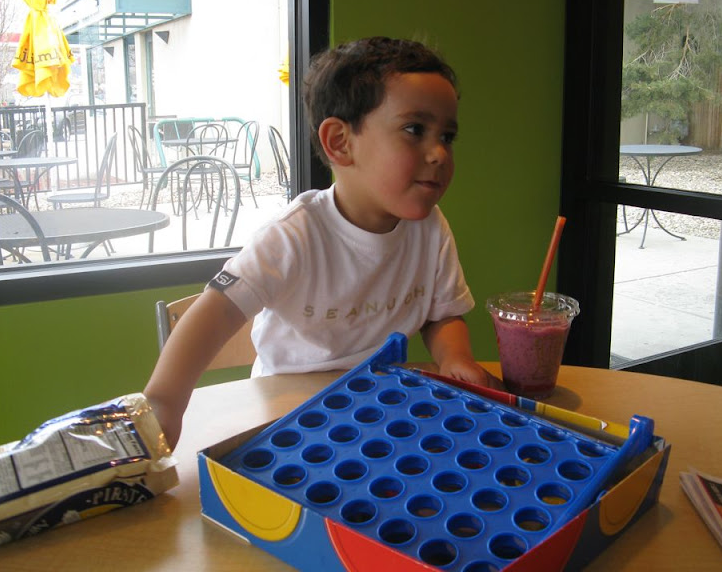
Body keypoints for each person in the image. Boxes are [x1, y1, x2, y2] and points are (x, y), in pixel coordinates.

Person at [144, 36, 500, 449]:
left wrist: (454, 357)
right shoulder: (293, 235)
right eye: (415, 130)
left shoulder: (431, 229)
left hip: (382, 408)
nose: (439, 153)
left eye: (447, 136)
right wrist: (165, 402)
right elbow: (217, 312)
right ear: (340, 143)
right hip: (288, 416)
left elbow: (441, 315)